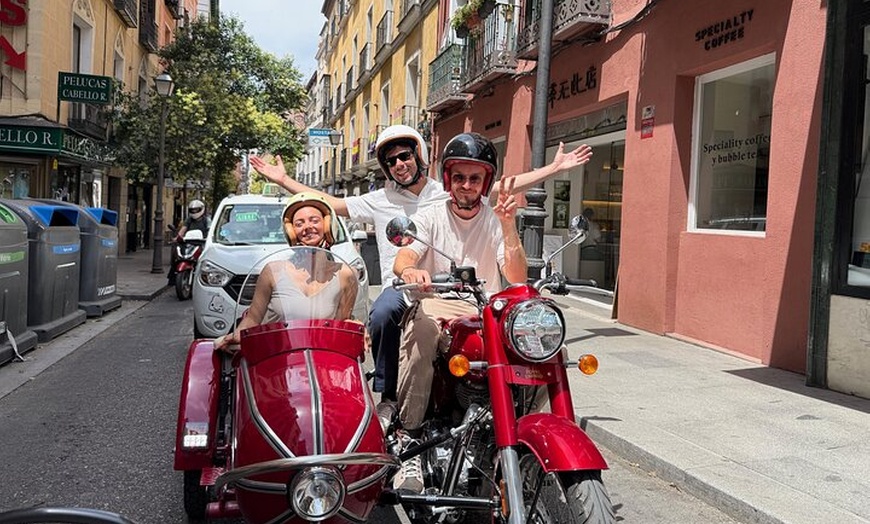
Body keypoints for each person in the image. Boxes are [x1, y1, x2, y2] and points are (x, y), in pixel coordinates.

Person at [250, 125, 593, 404]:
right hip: (405, 284)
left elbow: (502, 186)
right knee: (384, 312)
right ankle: (387, 395)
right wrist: (283, 180)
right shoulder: (379, 199)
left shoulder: (446, 189)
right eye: (392, 160)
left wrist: (553, 169)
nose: (400, 164)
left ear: (419, 157)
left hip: (463, 290)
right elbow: (330, 203)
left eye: (405, 155)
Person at [389, 133, 527, 492]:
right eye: (460, 177)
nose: (467, 186)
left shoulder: (497, 219)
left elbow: (516, 277)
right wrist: (411, 271)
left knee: (542, 343)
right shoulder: (431, 214)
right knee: (420, 330)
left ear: (485, 182)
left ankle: (529, 428)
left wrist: (510, 225)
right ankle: (411, 436)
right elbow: (406, 254)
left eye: (475, 178)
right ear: (449, 180)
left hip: (488, 308)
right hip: (439, 300)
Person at [214, 193, 358, 352]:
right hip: (276, 356)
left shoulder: (345, 274)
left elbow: (341, 325)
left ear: (328, 225)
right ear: (291, 231)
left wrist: (356, 326)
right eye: (299, 223)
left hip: (320, 357)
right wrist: (237, 335)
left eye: (314, 220)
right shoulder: (273, 271)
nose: (307, 226)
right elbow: (253, 318)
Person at [169, 199, 211, 285]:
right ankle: (172, 278)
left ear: (201, 209)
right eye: (192, 210)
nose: (194, 212)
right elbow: (183, 229)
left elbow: (210, 230)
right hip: (188, 242)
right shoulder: (189, 220)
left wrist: (209, 238)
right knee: (177, 256)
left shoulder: (206, 220)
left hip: (201, 243)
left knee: (205, 259)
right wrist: (178, 237)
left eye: (196, 209)